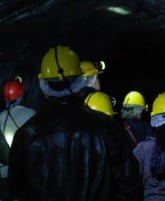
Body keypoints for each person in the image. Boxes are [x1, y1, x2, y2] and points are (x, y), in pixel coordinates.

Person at [8, 45, 141, 201]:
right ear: (79, 82)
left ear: (42, 85)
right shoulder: (106, 128)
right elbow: (129, 186)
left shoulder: (26, 135)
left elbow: (17, 194)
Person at [0, 77, 36, 200]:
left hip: (3, 175)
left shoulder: (0, 117)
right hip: (23, 173)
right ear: (21, 95)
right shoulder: (31, 114)